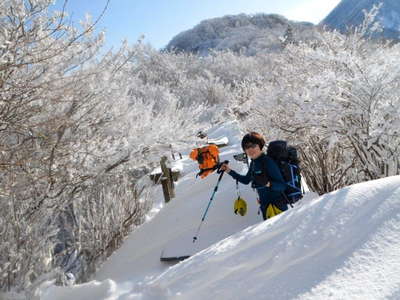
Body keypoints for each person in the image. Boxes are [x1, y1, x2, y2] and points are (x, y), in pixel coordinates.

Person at [220, 132, 288, 220]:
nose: (250, 149)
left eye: (253, 145)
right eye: (247, 147)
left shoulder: (267, 162)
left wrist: (268, 184)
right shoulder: (253, 162)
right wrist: (229, 171)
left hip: (277, 206)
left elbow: (282, 186)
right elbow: (246, 180)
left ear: (260, 145)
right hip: (265, 207)